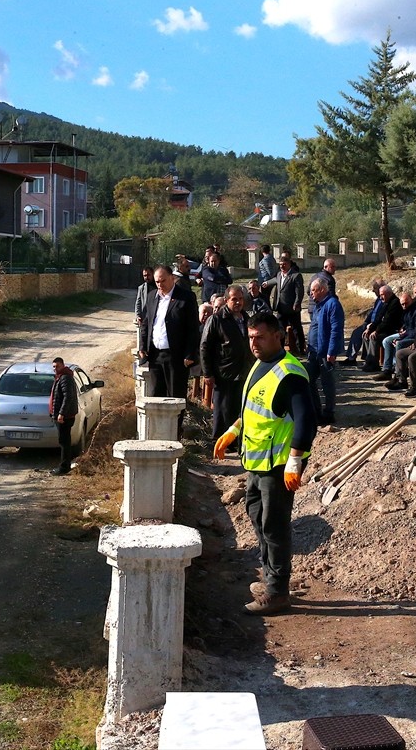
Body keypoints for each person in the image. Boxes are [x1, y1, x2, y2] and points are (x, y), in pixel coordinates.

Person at [213, 312, 317, 616]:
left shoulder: (290, 374)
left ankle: (277, 592)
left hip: (278, 466)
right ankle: (270, 578)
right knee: (258, 519)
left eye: (259, 337)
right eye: (250, 337)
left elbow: (306, 420)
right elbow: (256, 410)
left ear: (277, 336)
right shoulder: (261, 365)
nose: (253, 343)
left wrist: (295, 460)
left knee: (274, 526)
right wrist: (233, 430)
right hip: (256, 463)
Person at [200, 285, 251, 453]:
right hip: (223, 371)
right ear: (227, 300)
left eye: (240, 299)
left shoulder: (245, 317)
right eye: (234, 299)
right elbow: (205, 347)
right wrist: (207, 373)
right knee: (222, 409)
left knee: (237, 407)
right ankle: (219, 442)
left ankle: (234, 441)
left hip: (242, 371)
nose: (237, 302)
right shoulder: (216, 319)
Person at [139, 264, 200, 402]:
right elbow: (146, 324)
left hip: (176, 357)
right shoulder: (151, 297)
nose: (160, 285)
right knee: (156, 395)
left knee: (175, 396)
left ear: (172, 278)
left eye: (163, 280)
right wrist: (143, 347)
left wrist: (190, 353)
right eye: (157, 282)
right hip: (155, 355)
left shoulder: (186, 297)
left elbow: (193, 328)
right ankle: (158, 425)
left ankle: (176, 424)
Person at [306, 277, 344, 425]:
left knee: (327, 383)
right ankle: (316, 411)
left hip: (325, 352)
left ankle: (329, 413)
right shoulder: (318, 305)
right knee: (308, 379)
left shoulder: (332, 304)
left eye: (313, 291)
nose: (311, 294)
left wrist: (332, 351)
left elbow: (336, 329)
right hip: (314, 351)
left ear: (322, 289)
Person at [376, 284, 416, 382]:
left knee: (399, 343)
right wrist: (402, 330)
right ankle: (387, 369)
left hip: (414, 337)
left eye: (406, 303)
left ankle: (398, 374)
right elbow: (406, 324)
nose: (404, 306)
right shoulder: (406, 310)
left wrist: (402, 337)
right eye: (402, 304)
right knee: (387, 341)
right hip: (406, 333)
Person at [343, 277, 386, 364]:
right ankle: (352, 357)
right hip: (370, 324)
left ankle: (356, 359)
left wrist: (371, 326)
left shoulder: (384, 300)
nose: (373, 291)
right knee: (357, 332)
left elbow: (381, 317)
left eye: (375, 289)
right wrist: (366, 322)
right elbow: (373, 312)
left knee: (359, 334)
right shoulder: (378, 300)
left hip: (377, 326)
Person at [361, 285, 403, 373]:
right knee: (366, 335)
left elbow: (387, 321)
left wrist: (376, 331)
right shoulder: (386, 303)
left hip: (392, 330)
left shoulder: (394, 303)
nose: (381, 297)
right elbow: (379, 318)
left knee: (374, 338)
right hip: (385, 328)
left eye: (382, 295)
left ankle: (373, 364)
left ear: (389, 294)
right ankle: (368, 360)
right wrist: (370, 329)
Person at [49, 357, 79, 476]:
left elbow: (68, 397)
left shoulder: (65, 378)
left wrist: (61, 413)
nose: (55, 369)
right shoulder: (60, 377)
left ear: (63, 365)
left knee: (64, 442)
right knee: (64, 441)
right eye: (54, 367)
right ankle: (64, 466)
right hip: (62, 415)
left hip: (65, 417)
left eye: (57, 366)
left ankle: (64, 467)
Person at [273, 253, 305, 356]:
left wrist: (297, 303)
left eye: (284, 264)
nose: (282, 266)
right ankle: (280, 350)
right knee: (280, 330)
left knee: (297, 329)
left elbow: (299, 292)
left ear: (289, 264)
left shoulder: (296, 275)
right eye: (280, 264)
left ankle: (301, 349)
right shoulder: (279, 275)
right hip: (281, 308)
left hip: (292, 308)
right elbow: (278, 289)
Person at [305, 258, 337, 351]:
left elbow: (308, 291)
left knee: (314, 331)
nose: (335, 269)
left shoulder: (314, 276)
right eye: (333, 267)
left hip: (312, 308)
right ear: (326, 267)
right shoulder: (329, 279)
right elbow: (330, 296)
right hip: (322, 309)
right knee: (322, 333)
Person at [133, 267, 155, 351]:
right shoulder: (141, 288)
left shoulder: (158, 286)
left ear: (153, 274)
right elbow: (138, 303)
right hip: (145, 317)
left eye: (148, 275)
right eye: (144, 275)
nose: (146, 277)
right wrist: (138, 315)